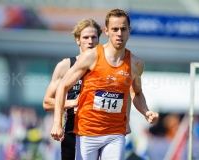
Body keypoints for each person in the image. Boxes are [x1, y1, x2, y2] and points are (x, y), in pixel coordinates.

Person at [51, 8, 159, 160]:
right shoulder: (91, 56)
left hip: (115, 134)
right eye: (115, 29)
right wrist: (57, 123)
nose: (119, 34)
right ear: (106, 31)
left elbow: (137, 93)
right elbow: (63, 86)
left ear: (129, 30)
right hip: (87, 131)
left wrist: (146, 111)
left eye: (123, 29)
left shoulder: (136, 63)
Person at [43, 18, 102, 160]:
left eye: (94, 37)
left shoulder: (105, 66)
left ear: (99, 40)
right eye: (86, 37)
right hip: (71, 129)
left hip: (99, 129)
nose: (90, 41)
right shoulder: (65, 65)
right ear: (77, 40)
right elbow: (47, 102)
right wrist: (74, 103)